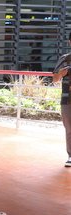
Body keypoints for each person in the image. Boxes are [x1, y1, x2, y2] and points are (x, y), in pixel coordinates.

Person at [52, 34, 71, 167]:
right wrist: (61, 74)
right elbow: (55, 79)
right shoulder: (64, 59)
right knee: (69, 129)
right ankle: (70, 155)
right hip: (67, 99)